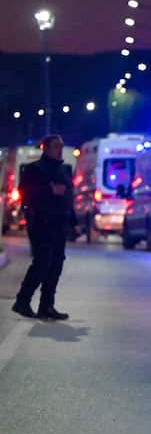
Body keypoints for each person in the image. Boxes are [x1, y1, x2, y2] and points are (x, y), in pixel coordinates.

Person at [11, 135, 75, 320]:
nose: (59, 150)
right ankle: (22, 300)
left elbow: (68, 197)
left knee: (56, 264)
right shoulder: (34, 169)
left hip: (59, 223)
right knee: (42, 262)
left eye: (61, 147)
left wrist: (73, 222)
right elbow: (26, 194)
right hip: (41, 223)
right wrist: (49, 190)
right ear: (45, 148)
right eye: (56, 147)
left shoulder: (64, 170)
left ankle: (46, 305)